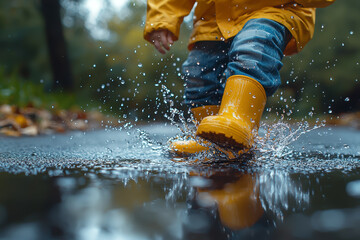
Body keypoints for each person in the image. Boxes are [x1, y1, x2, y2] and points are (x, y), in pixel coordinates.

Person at [144, 0, 336, 155]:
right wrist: (163, 18)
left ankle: (239, 120)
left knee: (253, 48)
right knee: (198, 73)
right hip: (213, 18)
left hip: (274, 8)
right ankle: (210, 140)